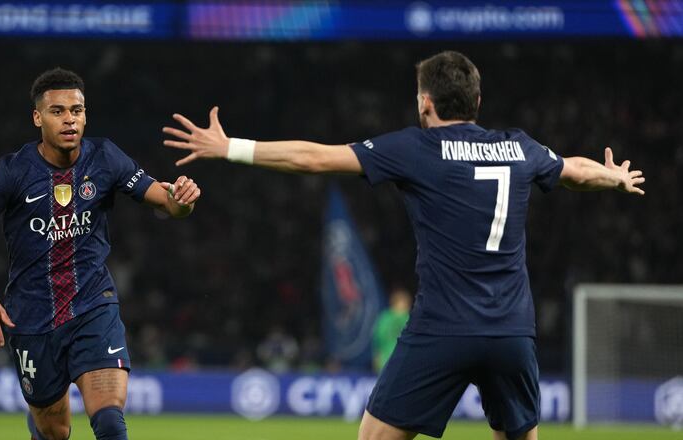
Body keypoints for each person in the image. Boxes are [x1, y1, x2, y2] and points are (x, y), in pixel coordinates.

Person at [162, 51, 645, 440]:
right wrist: (614, 177)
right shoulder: (519, 146)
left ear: (425, 103)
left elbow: (314, 158)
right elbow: (575, 171)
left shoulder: (416, 148)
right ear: (477, 100)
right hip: (512, 332)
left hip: (444, 328)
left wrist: (230, 147)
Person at [0, 68, 201, 440]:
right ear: (38, 118)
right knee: (55, 432)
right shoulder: (13, 171)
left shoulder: (105, 157)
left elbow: (167, 203)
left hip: (93, 306)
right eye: (57, 111)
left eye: (77, 110)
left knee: (110, 422)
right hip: (32, 319)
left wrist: (182, 200)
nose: (69, 119)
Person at [372, 287, 412, 373]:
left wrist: (376, 356)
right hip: (400, 363)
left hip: (385, 363)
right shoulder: (409, 319)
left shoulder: (384, 318)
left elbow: (377, 339)